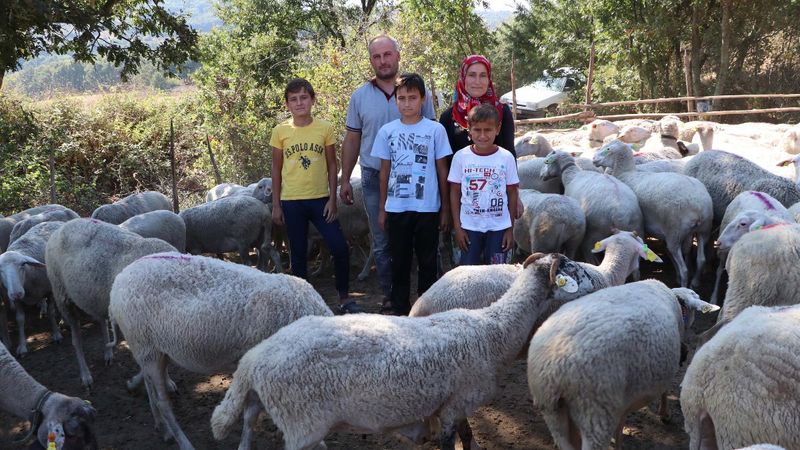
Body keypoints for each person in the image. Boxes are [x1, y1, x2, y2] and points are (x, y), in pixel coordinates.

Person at [339, 35, 436, 309]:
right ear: (371, 60)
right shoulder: (359, 97)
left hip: (416, 178)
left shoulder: (416, 90)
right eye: (376, 57)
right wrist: (345, 179)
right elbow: (353, 139)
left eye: (387, 55)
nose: (382, 61)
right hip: (373, 177)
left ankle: (424, 300)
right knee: (382, 241)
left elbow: (429, 133)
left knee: (420, 239)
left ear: (397, 56)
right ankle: (391, 297)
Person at [270, 78, 362, 314]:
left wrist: (333, 199)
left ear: (312, 99)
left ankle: (343, 297)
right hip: (292, 201)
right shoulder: (281, 131)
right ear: (287, 104)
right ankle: (303, 303)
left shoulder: (324, 128)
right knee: (298, 253)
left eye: (303, 97)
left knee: (339, 247)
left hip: (321, 199)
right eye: (293, 99)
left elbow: (333, 165)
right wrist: (276, 204)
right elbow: (276, 169)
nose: (299, 103)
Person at [373, 73, 452, 316]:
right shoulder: (387, 131)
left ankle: (425, 310)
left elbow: (442, 169)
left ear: (423, 99)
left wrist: (445, 208)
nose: (407, 103)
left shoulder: (435, 130)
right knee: (400, 260)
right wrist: (383, 207)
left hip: (427, 207)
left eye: (412, 98)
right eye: (402, 98)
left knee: (428, 262)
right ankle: (399, 309)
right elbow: (384, 171)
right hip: (397, 207)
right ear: (395, 100)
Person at [448, 103, 519, 265]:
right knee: (468, 271)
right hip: (469, 227)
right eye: (477, 130)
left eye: (488, 130)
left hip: (499, 227)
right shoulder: (460, 157)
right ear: (469, 128)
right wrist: (458, 228)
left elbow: (512, 192)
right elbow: (454, 191)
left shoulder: (506, 157)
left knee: (498, 271)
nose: (482, 135)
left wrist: (510, 229)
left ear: (498, 129)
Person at [439, 54, 515, 157]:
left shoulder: (502, 111)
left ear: (489, 79)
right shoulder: (449, 117)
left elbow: (509, 154)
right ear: (463, 77)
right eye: (472, 75)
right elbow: (445, 160)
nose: (477, 81)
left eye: (483, 75)